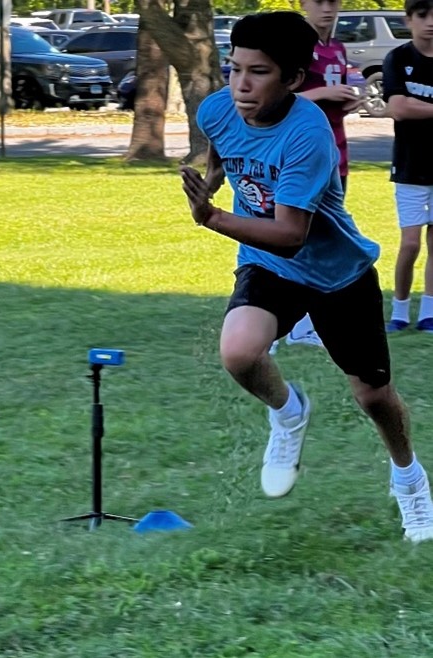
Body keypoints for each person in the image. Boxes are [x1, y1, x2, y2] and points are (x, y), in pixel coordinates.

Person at [180, 11, 433, 543]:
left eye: (259, 73)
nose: (241, 86)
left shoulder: (308, 136)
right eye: (233, 69)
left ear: (294, 80)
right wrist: (211, 181)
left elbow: (292, 233)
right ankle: (289, 412)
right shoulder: (217, 109)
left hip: (335, 272)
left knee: (373, 397)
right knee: (239, 353)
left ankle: (409, 478)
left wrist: (214, 217)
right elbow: (225, 152)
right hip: (267, 264)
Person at [282, 0, 363, 349]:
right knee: (293, 236)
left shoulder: (337, 48)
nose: (328, 9)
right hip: (303, 155)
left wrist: (347, 101)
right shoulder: (295, 47)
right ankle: (287, 320)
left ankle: (308, 320)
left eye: (334, 1)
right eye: (319, 1)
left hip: (336, 152)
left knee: (325, 237)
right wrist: (323, 93)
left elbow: (334, 98)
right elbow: (281, 97)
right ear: (303, 4)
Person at [382, 0, 433, 334]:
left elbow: (410, 105)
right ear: (409, 19)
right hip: (410, 167)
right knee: (411, 244)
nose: (430, 23)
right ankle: (399, 310)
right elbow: (397, 107)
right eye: (423, 15)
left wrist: (420, 105)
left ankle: (429, 311)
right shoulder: (398, 58)